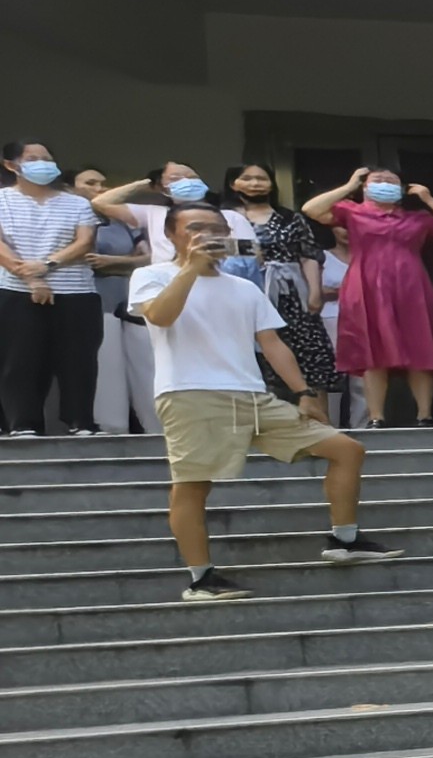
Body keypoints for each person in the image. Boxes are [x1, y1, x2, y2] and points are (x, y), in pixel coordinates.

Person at [133, 199, 387, 602]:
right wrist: (190, 269)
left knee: (346, 449)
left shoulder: (243, 287)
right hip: (190, 394)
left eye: (216, 229)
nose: (208, 235)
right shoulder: (152, 275)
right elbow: (160, 316)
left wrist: (303, 392)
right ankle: (201, 579)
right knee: (192, 485)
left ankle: (345, 540)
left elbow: (271, 342)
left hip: (253, 395)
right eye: (195, 228)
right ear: (171, 235)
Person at [306, 166, 433, 428]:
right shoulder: (352, 211)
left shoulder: (417, 219)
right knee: (372, 352)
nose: (384, 183)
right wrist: (349, 186)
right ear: (365, 187)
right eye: (377, 180)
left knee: (420, 349)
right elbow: (311, 209)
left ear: (402, 188)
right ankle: (376, 417)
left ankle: (424, 415)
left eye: (390, 180)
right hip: (366, 286)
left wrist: (428, 199)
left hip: (412, 288)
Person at [214, 163, 339, 422]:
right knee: (257, 359)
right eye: (247, 178)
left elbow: (308, 255)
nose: (255, 183)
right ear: (233, 184)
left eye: (262, 178)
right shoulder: (222, 218)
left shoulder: (290, 218)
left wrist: (314, 292)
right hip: (246, 293)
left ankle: (320, 426)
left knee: (309, 360)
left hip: (291, 295)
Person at [0, 137, 103, 435]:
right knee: (19, 359)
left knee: (78, 359)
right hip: (16, 290)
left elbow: (84, 242)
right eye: (33, 159)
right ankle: (22, 424)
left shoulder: (77, 203)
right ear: (11, 165)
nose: (43, 165)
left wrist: (46, 266)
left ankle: (80, 422)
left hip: (75, 291)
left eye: (47, 159)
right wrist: (31, 278)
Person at [80, 175, 155, 438]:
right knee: (106, 366)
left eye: (102, 183)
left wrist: (115, 263)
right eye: (90, 183)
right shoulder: (74, 220)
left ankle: (155, 427)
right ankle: (112, 428)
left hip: (130, 300)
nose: (99, 188)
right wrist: (126, 263)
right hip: (94, 300)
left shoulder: (124, 222)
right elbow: (85, 260)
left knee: (146, 365)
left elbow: (149, 257)